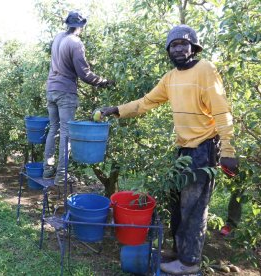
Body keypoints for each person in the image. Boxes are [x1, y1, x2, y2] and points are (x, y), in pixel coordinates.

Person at [99, 25, 239, 275]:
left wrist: (228, 149)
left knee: (193, 209)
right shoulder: (171, 78)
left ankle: (190, 262)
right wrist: (116, 110)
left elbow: (221, 109)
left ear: (193, 48)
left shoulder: (205, 69)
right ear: (168, 50)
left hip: (204, 149)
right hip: (183, 152)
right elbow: (145, 102)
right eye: (173, 45)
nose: (178, 49)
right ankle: (178, 252)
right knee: (178, 207)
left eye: (183, 44)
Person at [43, 10, 115, 185]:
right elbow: (84, 73)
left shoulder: (59, 37)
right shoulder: (75, 43)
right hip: (65, 91)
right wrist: (103, 82)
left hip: (51, 88)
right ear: (81, 26)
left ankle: (47, 169)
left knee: (54, 129)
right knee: (66, 133)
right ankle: (61, 176)